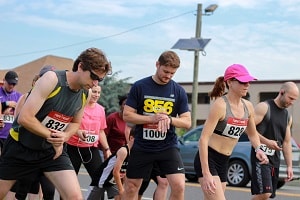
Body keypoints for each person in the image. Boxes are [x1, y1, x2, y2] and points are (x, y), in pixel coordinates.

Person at [0, 47, 112, 199]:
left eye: (100, 79)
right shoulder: (52, 79)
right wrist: (54, 137)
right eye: (93, 76)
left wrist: (65, 136)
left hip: (51, 152)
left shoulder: (87, 92)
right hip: (21, 147)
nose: (95, 83)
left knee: (75, 197)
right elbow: (25, 117)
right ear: (80, 66)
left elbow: (75, 123)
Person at [122, 50, 191, 200]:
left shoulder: (178, 91)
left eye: (172, 73)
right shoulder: (140, 86)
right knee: (131, 186)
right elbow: (127, 115)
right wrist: (151, 119)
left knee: (179, 186)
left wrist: (170, 119)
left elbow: (187, 122)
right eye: (166, 71)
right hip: (143, 146)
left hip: (168, 146)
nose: (168, 76)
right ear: (157, 64)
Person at [193, 64, 269, 200]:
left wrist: (258, 149)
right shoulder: (220, 105)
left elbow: (252, 134)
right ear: (229, 82)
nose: (247, 85)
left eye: (248, 81)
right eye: (242, 81)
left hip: (224, 160)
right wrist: (206, 173)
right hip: (208, 158)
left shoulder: (248, 106)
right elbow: (203, 139)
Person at [7, 65, 57, 200]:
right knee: (22, 188)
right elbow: (18, 123)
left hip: (46, 150)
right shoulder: (26, 97)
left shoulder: (55, 100)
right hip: (26, 149)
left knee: (48, 190)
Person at [251, 81, 299, 199]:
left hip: (275, 160)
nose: (292, 102)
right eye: (290, 98)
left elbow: (286, 142)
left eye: (294, 100)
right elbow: (249, 130)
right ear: (282, 92)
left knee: (268, 196)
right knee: (265, 193)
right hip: (260, 157)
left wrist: (289, 166)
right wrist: (267, 142)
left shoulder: (287, 116)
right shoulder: (264, 107)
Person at [66, 84, 111, 195]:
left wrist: (107, 149)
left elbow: (101, 131)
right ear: (88, 92)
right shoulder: (78, 106)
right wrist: (77, 132)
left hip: (91, 149)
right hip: (73, 148)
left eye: (98, 92)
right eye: (94, 92)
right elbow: (67, 124)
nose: (96, 95)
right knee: (69, 183)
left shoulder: (101, 110)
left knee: (100, 180)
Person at [87, 125, 135, 200]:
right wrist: (121, 189)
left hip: (113, 180)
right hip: (102, 178)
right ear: (131, 138)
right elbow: (115, 172)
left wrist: (125, 186)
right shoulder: (124, 151)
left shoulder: (134, 153)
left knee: (121, 197)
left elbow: (125, 171)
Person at [0, 70, 22, 153]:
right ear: (4, 80)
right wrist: (5, 104)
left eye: (14, 84)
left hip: (10, 136)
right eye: (9, 83)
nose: (11, 86)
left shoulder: (19, 96)